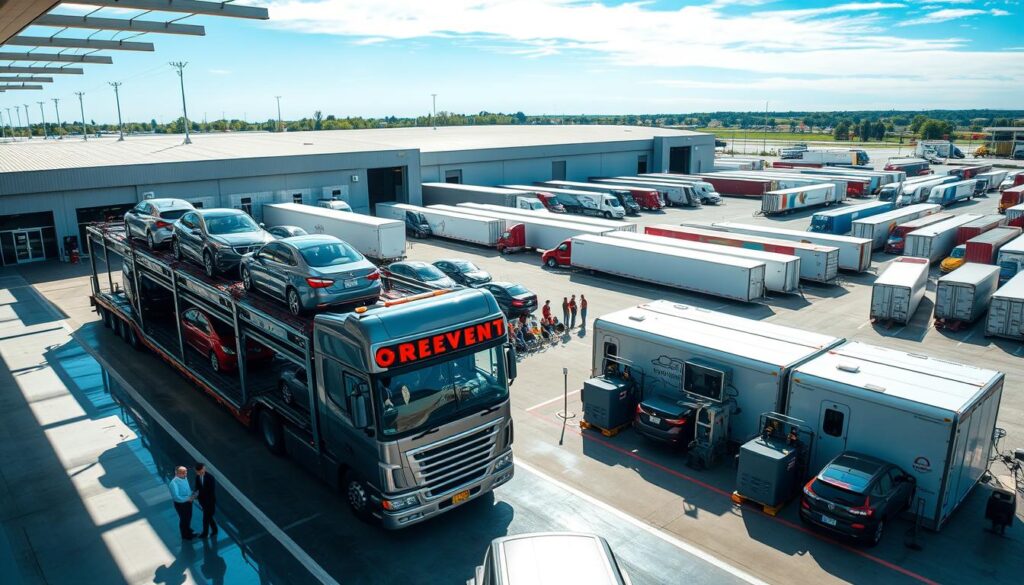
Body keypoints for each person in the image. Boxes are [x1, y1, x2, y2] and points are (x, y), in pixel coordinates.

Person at [169, 466, 196, 540]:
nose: (185, 474)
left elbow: (187, 489)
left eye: (186, 472)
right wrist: (188, 498)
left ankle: (188, 529)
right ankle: (185, 535)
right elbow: (176, 497)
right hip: (181, 504)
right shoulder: (173, 483)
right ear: (176, 473)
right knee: (184, 519)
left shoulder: (184, 478)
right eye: (183, 473)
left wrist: (191, 494)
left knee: (188, 517)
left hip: (188, 502)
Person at [193, 463, 218, 538]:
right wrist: (196, 493)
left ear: (201, 470)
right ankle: (215, 530)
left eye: (197, 471)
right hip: (203, 501)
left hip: (210, 501)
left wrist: (198, 494)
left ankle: (205, 533)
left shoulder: (210, 478)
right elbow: (197, 487)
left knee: (206, 518)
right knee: (209, 517)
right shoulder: (197, 477)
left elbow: (210, 491)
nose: (196, 473)